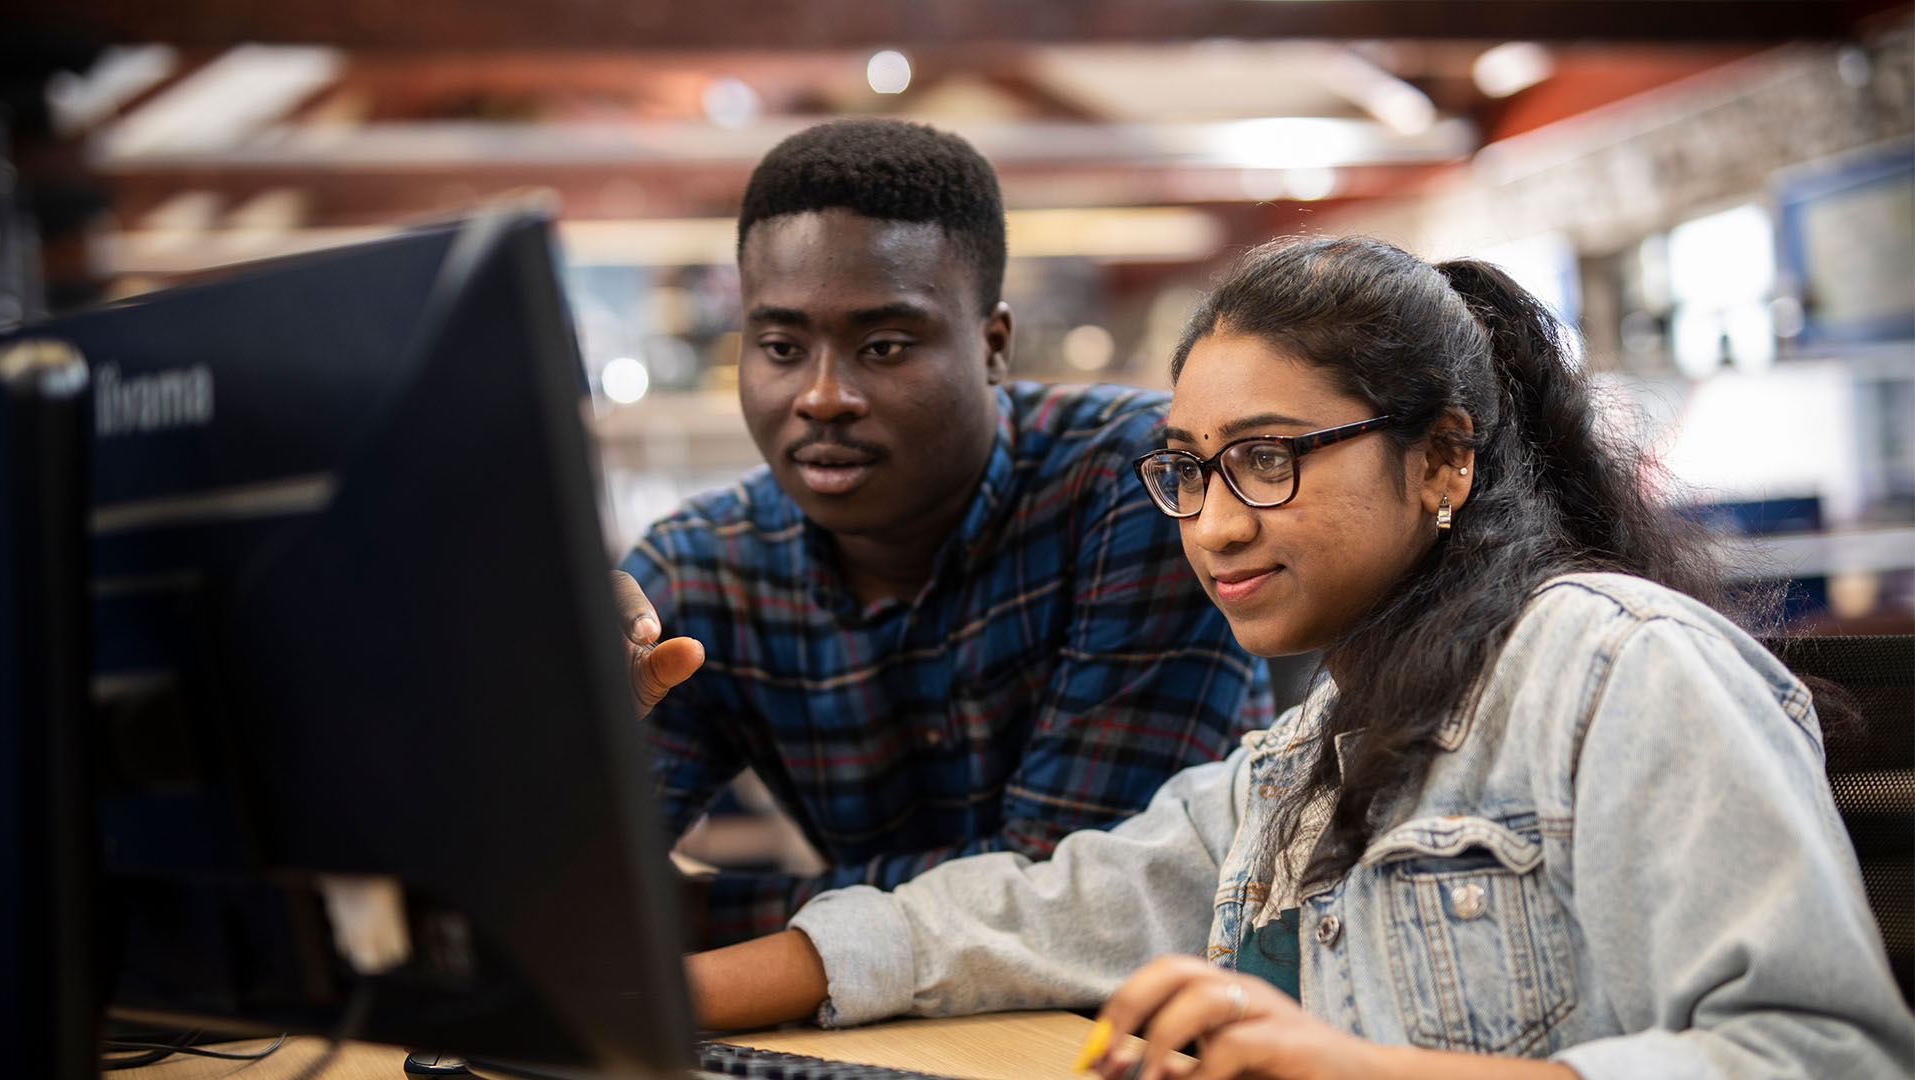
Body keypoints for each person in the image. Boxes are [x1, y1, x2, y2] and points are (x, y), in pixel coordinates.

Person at [681, 236, 1915, 1078]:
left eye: (1269, 457)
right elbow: (1031, 910)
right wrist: (666, 1002)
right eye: (1188, 469)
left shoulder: (1621, 668)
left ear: (1442, 458)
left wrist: (1355, 1068)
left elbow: (1819, 1055)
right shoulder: (1304, 760)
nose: (1213, 523)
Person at [616, 118, 1272, 948]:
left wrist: (702, 915)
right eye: (780, 345)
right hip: (885, 1039)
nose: (821, 396)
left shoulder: (1141, 484)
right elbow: (578, 895)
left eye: (884, 345)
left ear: (993, 344)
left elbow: (1069, 895)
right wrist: (547, 734)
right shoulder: (700, 568)